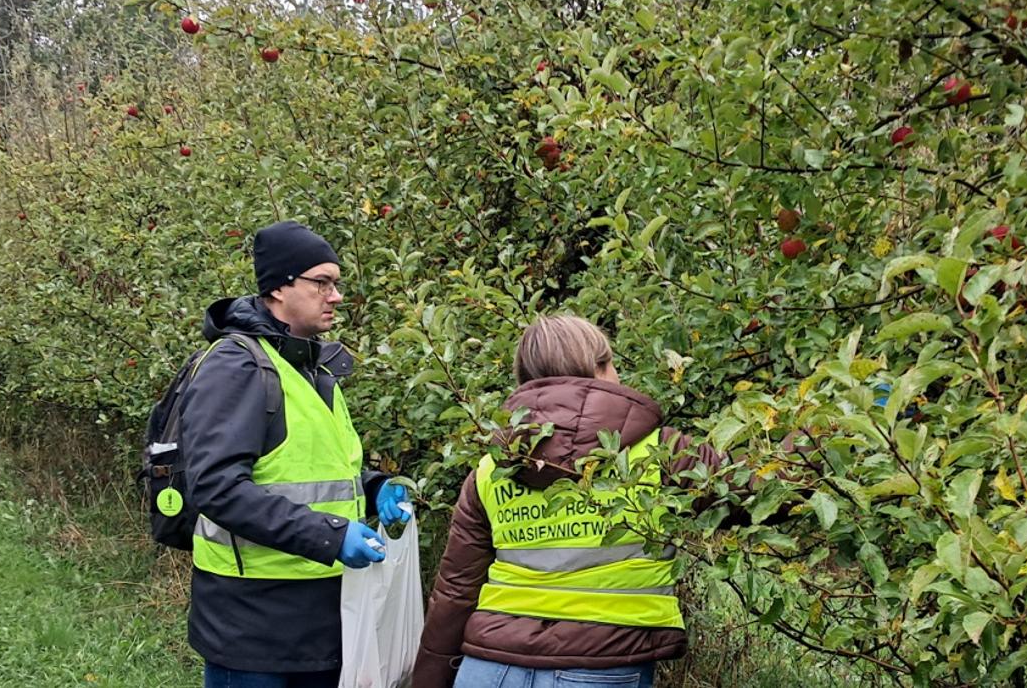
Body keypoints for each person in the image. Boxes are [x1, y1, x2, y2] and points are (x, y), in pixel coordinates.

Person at [414, 314, 719, 688]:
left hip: (488, 669)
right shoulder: (664, 454)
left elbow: (455, 592)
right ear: (600, 367)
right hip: (599, 666)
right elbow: (763, 485)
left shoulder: (491, 469)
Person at [179, 220, 413, 687]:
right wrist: (329, 535)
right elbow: (215, 487)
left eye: (336, 283)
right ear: (278, 288)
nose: (336, 296)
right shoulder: (237, 366)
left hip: (320, 623)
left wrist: (374, 488)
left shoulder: (312, 369)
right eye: (321, 282)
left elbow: (318, 472)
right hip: (251, 627)